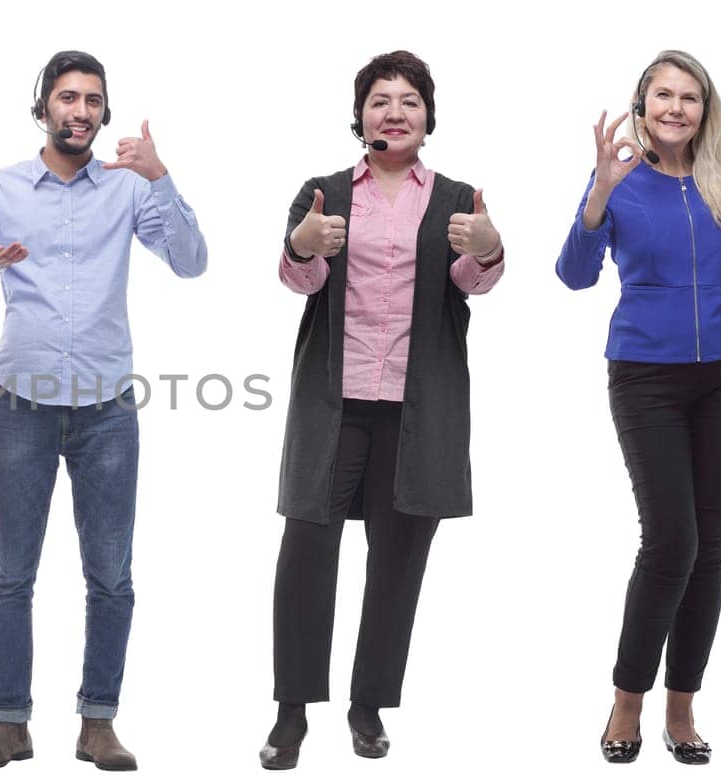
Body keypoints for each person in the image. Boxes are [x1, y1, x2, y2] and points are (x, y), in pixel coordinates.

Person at [0, 50, 207, 771]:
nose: (81, 110)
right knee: (8, 572)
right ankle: (9, 722)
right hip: (20, 408)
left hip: (106, 411)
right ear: (43, 109)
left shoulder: (127, 188)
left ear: (103, 113)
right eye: (67, 97)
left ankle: (99, 722)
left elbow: (191, 262)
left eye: (93, 99)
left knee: (111, 574)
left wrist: (161, 176)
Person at [263, 50, 504, 769]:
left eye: (409, 101)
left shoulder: (459, 197)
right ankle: (291, 710)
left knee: (397, 561)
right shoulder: (323, 191)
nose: (394, 111)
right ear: (360, 115)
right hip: (334, 405)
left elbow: (472, 279)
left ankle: (367, 705)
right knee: (306, 550)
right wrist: (302, 245)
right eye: (379, 99)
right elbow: (298, 276)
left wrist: (489, 250)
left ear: (427, 119)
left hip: (416, 409)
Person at [557, 50, 721, 766]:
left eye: (690, 96)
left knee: (710, 548)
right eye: (664, 95)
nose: (676, 108)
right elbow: (572, 275)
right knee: (671, 541)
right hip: (646, 377)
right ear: (641, 103)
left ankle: (681, 708)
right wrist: (596, 196)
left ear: (705, 109)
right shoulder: (618, 182)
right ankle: (627, 698)